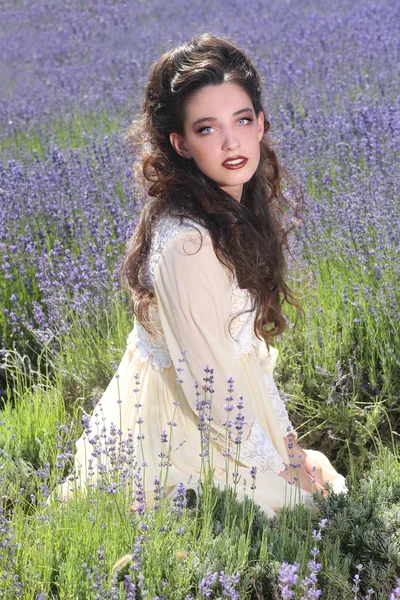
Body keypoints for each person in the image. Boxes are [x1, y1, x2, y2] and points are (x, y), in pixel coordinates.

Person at [57, 32, 347, 518]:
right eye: (207, 129)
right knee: (302, 509)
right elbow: (210, 388)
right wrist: (281, 469)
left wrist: (290, 452)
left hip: (222, 408)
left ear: (261, 123)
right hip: (177, 435)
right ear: (182, 143)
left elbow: (242, 362)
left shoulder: (227, 213)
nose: (232, 142)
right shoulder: (188, 243)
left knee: (316, 485)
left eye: (242, 120)